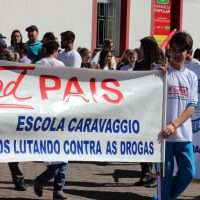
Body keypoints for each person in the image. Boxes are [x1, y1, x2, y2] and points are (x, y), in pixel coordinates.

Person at [160, 31, 197, 200]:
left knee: (189, 173)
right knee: (165, 179)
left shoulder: (192, 77)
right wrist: (159, 74)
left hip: (183, 136)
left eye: (180, 50)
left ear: (188, 53)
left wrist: (174, 124)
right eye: (173, 49)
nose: (176, 53)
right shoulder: (161, 73)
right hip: (163, 137)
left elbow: (191, 108)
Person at [34, 40, 67, 200]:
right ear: (56, 50)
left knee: (59, 154)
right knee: (62, 153)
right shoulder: (61, 66)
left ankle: (57, 190)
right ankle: (46, 183)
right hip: (59, 111)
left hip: (44, 112)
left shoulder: (38, 64)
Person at [134, 36, 165, 187]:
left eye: (141, 47)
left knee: (152, 142)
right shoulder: (138, 65)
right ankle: (145, 173)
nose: (139, 50)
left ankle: (154, 175)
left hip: (155, 110)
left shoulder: (160, 65)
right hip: (140, 108)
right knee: (141, 142)